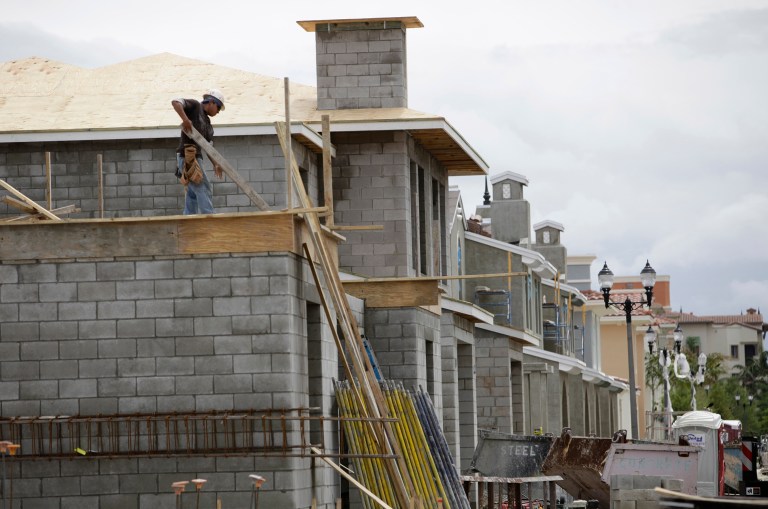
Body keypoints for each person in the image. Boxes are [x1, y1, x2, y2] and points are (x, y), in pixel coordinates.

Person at [171, 89, 225, 214]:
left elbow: (208, 146)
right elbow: (175, 102)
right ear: (211, 102)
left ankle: (189, 221)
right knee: (203, 187)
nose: (218, 112)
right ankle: (209, 219)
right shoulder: (195, 107)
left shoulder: (207, 123)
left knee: (192, 193)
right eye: (218, 108)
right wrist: (185, 119)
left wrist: (215, 163)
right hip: (188, 155)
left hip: (195, 157)